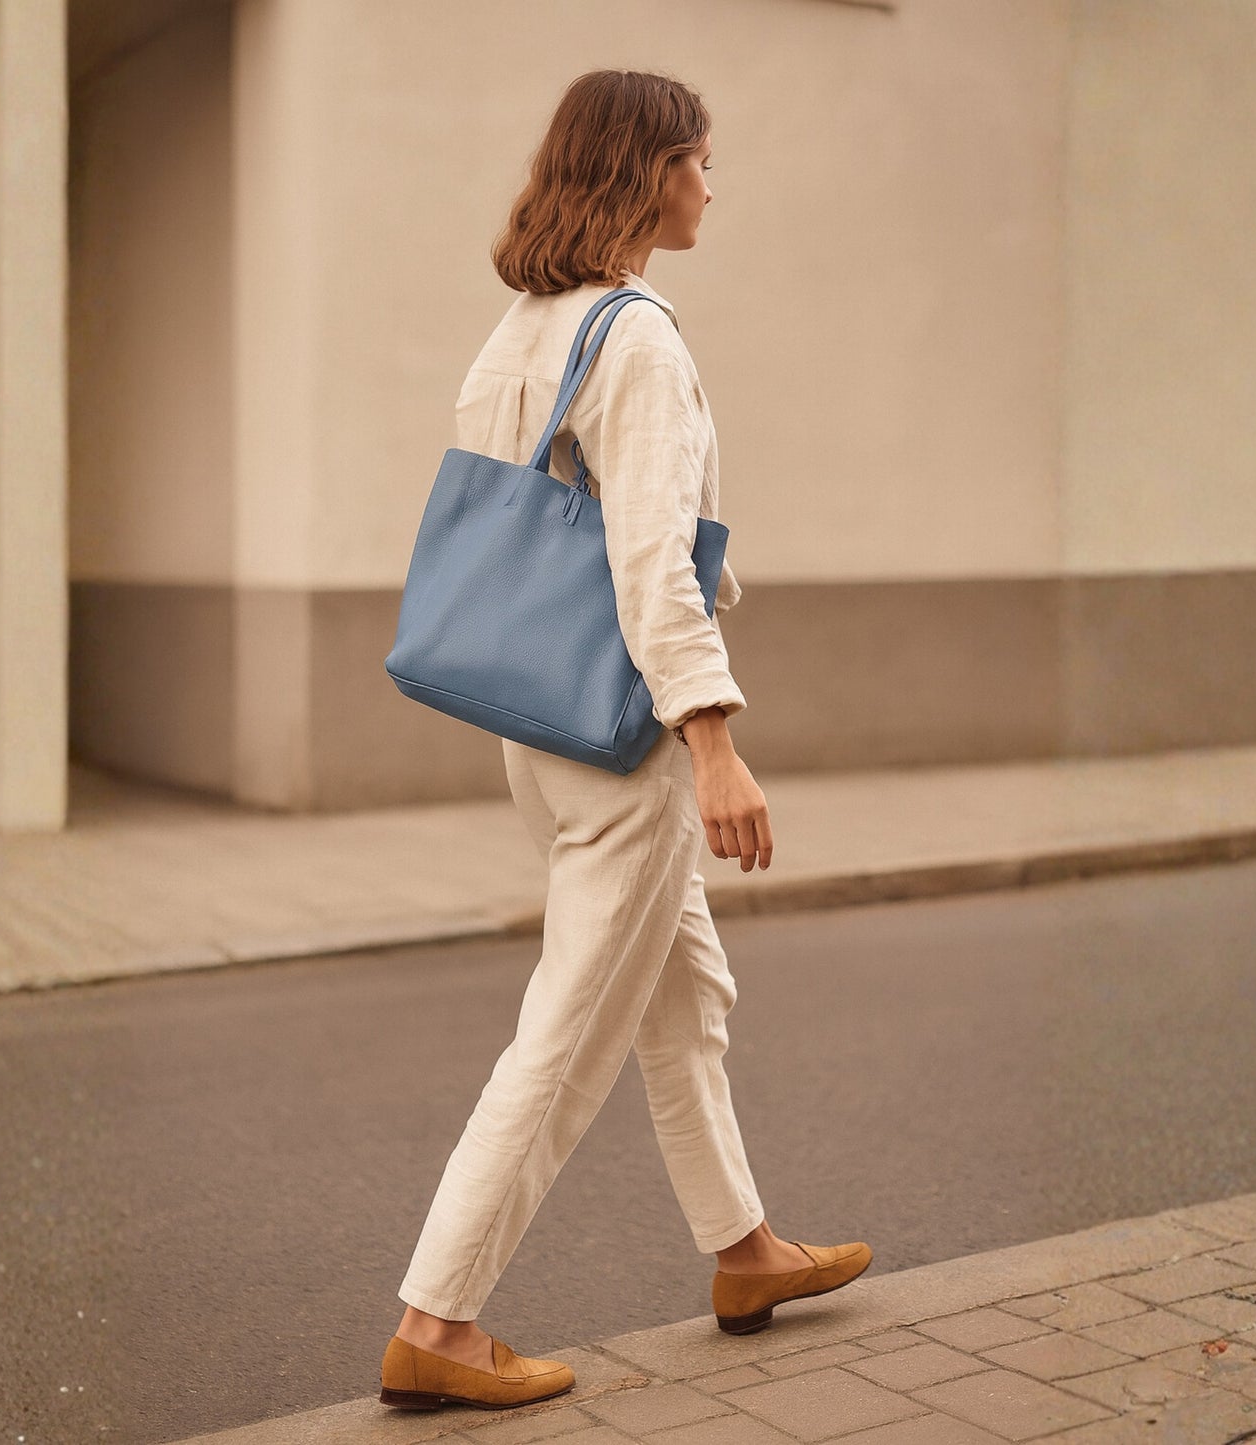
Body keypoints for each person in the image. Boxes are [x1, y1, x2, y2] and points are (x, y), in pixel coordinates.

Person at [380, 69, 872, 1414]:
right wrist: (709, 739)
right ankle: (439, 1315)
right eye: (701, 160)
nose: (714, 184)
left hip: (533, 722)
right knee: (571, 1027)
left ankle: (743, 1249)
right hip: (624, 731)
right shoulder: (638, 335)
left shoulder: (523, 326)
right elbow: (651, 556)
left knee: (678, 993)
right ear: (649, 172)